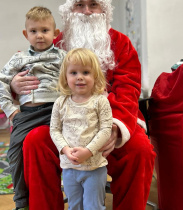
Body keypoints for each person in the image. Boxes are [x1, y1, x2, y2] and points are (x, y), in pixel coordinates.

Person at [10, 0, 156, 209]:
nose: (87, 11)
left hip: (110, 119)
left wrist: (114, 127)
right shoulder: (54, 43)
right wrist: (15, 84)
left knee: (140, 150)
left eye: (94, 4)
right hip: (63, 122)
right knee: (35, 142)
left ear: (104, 9)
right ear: (69, 10)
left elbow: (128, 88)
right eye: (79, 4)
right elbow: (30, 73)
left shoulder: (121, 43)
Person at [0, 6, 66, 210]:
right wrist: (12, 111)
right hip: (27, 115)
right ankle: (22, 201)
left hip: (56, 111)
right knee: (14, 154)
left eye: (45, 30)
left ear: (55, 33)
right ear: (26, 34)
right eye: (34, 31)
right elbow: (1, 84)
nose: (40, 35)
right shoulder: (19, 59)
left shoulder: (63, 56)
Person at [50, 48, 113, 209]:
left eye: (85, 72)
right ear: (65, 76)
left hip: (94, 168)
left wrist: (88, 151)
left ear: (95, 76)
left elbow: (106, 129)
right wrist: (64, 149)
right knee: (74, 206)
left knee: (94, 206)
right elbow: (54, 129)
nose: (79, 77)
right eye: (73, 73)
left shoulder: (100, 101)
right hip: (69, 168)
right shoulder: (60, 103)